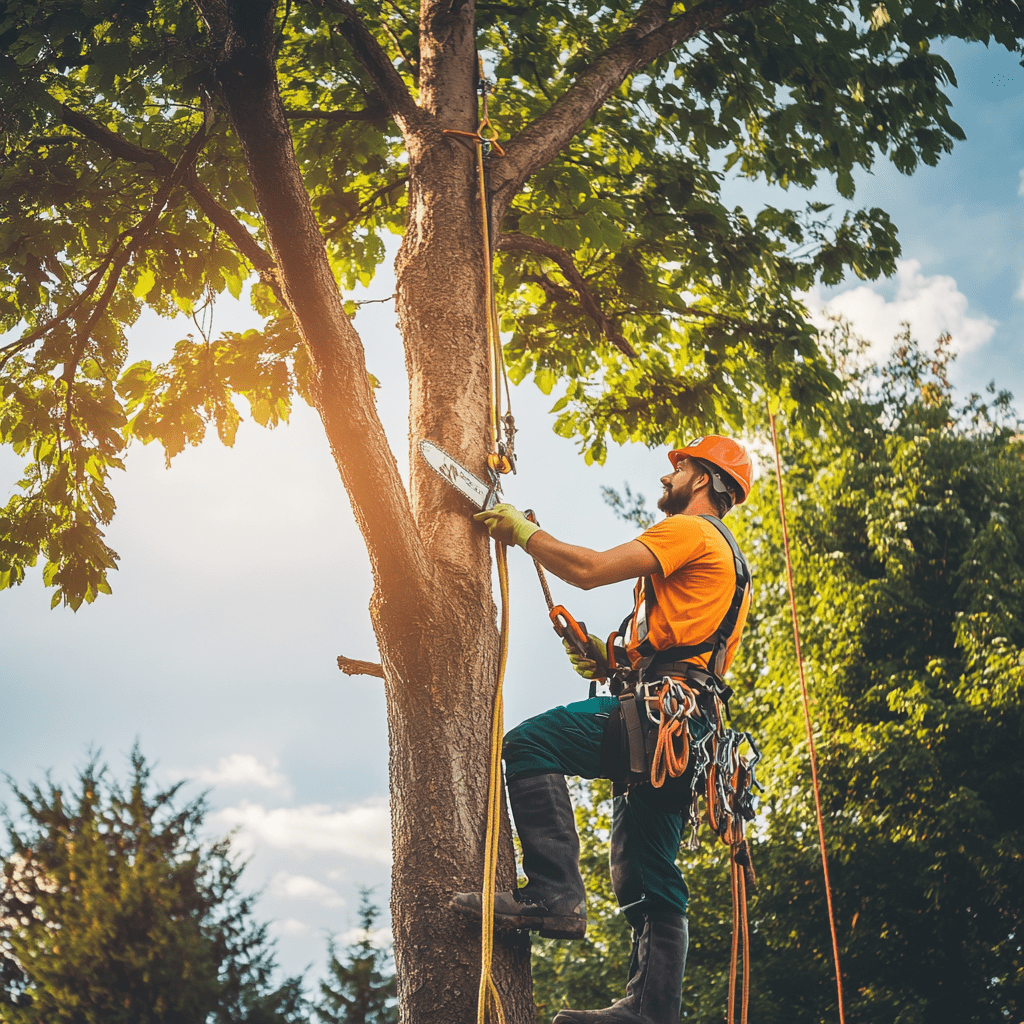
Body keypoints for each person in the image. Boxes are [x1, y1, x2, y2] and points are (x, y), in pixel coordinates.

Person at [451, 435, 754, 1024]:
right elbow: (687, 648)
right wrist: (607, 657)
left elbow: (589, 571)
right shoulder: (729, 558)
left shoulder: (690, 532)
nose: (668, 476)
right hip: (689, 729)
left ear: (705, 481)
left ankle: (554, 893)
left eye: (681, 467)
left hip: (662, 717)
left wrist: (524, 534)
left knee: (530, 743)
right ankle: (651, 1011)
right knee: (646, 870)